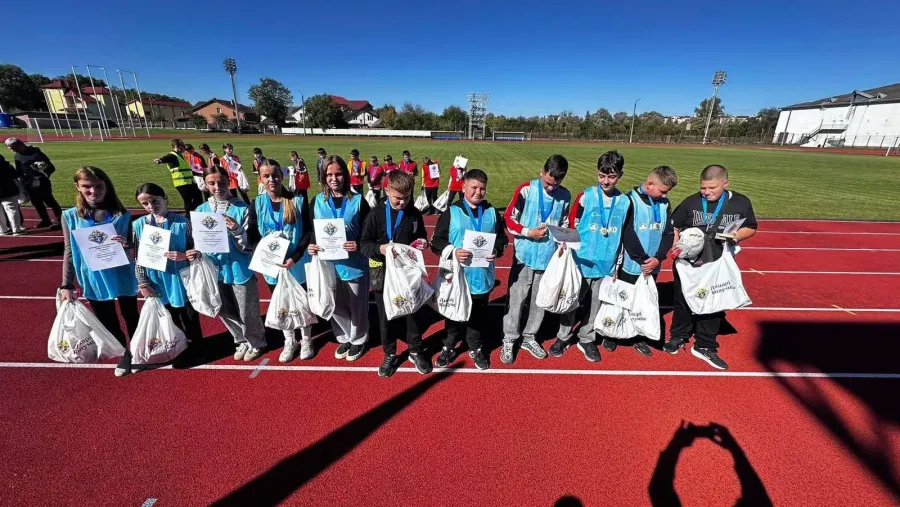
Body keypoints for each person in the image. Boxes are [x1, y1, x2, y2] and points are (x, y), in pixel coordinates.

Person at [665, 164, 758, 370]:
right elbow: (674, 224)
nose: (706, 192)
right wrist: (676, 241)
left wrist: (735, 235)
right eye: (703, 188)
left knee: (714, 301)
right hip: (688, 262)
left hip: (717, 260)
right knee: (682, 299)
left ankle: (705, 345)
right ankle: (678, 335)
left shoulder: (740, 202)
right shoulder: (691, 202)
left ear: (726, 183)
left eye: (712, 188)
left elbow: (751, 227)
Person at [551, 151, 634, 362]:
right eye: (601, 176)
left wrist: (617, 265)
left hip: (606, 264)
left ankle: (587, 338)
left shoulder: (625, 202)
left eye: (611, 176)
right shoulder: (585, 196)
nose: (606, 181)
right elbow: (572, 225)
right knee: (571, 301)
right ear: (597, 173)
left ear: (620, 175)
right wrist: (568, 250)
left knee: (595, 305)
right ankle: (563, 336)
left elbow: (623, 236)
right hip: (582, 261)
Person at [59, 166, 139, 377]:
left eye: (99, 186)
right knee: (107, 319)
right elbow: (69, 250)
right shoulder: (69, 216)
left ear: (107, 186)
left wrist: (128, 244)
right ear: (77, 187)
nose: (93, 191)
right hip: (93, 276)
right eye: (87, 186)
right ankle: (124, 354)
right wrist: (66, 284)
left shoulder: (122, 214)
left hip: (122, 272)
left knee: (131, 315)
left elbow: (133, 243)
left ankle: (138, 350)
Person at [430, 169, 508, 370]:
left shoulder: (492, 212)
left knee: (477, 317)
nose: (478, 192)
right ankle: (448, 346)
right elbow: (436, 241)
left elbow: (502, 239)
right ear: (464, 187)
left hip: (481, 277)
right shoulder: (452, 212)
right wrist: (454, 252)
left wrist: (496, 250)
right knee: (453, 315)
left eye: (482, 188)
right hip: (457, 277)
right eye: (474, 187)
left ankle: (475, 347)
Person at [190, 166, 266, 362]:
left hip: (239, 268)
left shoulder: (242, 208)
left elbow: (249, 245)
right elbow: (199, 242)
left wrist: (237, 229)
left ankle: (256, 342)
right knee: (224, 309)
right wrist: (195, 252)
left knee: (247, 310)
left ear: (229, 182)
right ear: (205, 185)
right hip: (214, 269)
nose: (217, 187)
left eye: (222, 182)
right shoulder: (201, 211)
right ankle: (240, 339)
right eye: (212, 183)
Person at [501, 154, 571, 364]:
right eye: (547, 182)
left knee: (540, 301)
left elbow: (564, 223)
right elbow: (508, 219)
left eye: (555, 184)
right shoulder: (526, 190)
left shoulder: (565, 195)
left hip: (548, 258)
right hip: (524, 255)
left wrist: (563, 241)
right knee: (516, 299)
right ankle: (509, 338)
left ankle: (529, 337)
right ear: (542, 172)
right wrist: (528, 232)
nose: (550, 188)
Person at [360, 170, 431, 377]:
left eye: (407, 197)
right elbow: (365, 244)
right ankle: (390, 353)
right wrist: (380, 249)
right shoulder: (375, 214)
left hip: (407, 273)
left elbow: (421, 235)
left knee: (412, 313)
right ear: (387, 190)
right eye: (398, 198)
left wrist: (423, 242)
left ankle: (415, 350)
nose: (402, 202)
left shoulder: (413, 212)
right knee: (386, 316)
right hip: (383, 273)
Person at [601, 165, 678, 357]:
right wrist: (643, 259)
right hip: (631, 264)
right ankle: (611, 333)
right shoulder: (629, 200)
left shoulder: (664, 203)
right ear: (650, 184)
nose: (664, 195)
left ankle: (638, 335)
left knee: (642, 301)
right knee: (620, 300)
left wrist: (658, 258)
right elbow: (627, 233)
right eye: (662, 191)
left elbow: (668, 233)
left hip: (653, 265)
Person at [250, 159, 315, 362]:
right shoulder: (256, 203)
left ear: (282, 176)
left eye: (275, 175)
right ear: (260, 179)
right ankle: (289, 341)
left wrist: (295, 257)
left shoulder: (297, 201)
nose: (272, 179)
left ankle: (306, 340)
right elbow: (252, 235)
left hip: (296, 263)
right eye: (266, 176)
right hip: (272, 266)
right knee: (281, 304)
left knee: (302, 303)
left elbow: (307, 232)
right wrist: (264, 254)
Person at [308, 155, 372, 362]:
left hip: (354, 265)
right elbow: (312, 231)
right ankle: (345, 336)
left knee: (357, 306)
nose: (334, 179)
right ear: (323, 176)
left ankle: (359, 339)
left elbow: (370, 233)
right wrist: (312, 245)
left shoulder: (358, 201)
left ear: (345, 175)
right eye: (329, 174)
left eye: (338, 174)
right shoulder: (317, 201)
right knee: (335, 305)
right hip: (327, 266)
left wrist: (359, 244)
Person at [133, 183, 204, 348]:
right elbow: (138, 256)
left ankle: (198, 348)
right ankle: (178, 347)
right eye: (145, 203)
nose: (151, 206)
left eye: (155, 201)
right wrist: (143, 282)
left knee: (189, 316)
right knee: (168, 318)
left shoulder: (183, 223)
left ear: (165, 199)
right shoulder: (138, 225)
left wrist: (184, 256)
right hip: (156, 280)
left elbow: (197, 250)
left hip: (181, 279)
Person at [5, 137, 61, 229]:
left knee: (50, 201)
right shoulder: (17, 155)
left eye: (14, 148)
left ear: (20, 145)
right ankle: (45, 220)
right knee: (36, 202)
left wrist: (41, 172)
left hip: (42, 182)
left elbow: (51, 167)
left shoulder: (36, 153)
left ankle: (60, 221)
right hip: (29, 184)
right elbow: (19, 170)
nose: (13, 151)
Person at [153, 139, 203, 214]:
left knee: (198, 199)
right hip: (182, 183)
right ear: (177, 146)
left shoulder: (180, 156)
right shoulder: (172, 156)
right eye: (182, 146)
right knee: (188, 202)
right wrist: (160, 160)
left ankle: (193, 214)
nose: (184, 148)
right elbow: (167, 158)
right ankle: (188, 217)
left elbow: (186, 170)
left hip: (190, 182)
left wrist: (199, 174)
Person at [0, 153, 25, 235]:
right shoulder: (8, 167)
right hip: (8, 190)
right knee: (12, 210)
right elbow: (16, 178)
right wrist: (21, 190)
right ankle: (16, 229)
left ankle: (4, 230)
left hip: (6, 190)